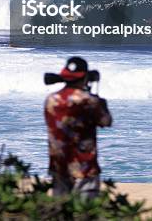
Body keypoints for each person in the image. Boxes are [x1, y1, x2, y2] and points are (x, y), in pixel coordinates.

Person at [44, 56, 112, 199]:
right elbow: (106, 121)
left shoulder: (51, 100)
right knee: (85, 213)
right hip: (84, 168)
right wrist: (98, 99)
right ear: (84, 77)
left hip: (59, 168)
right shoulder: (89, 101)